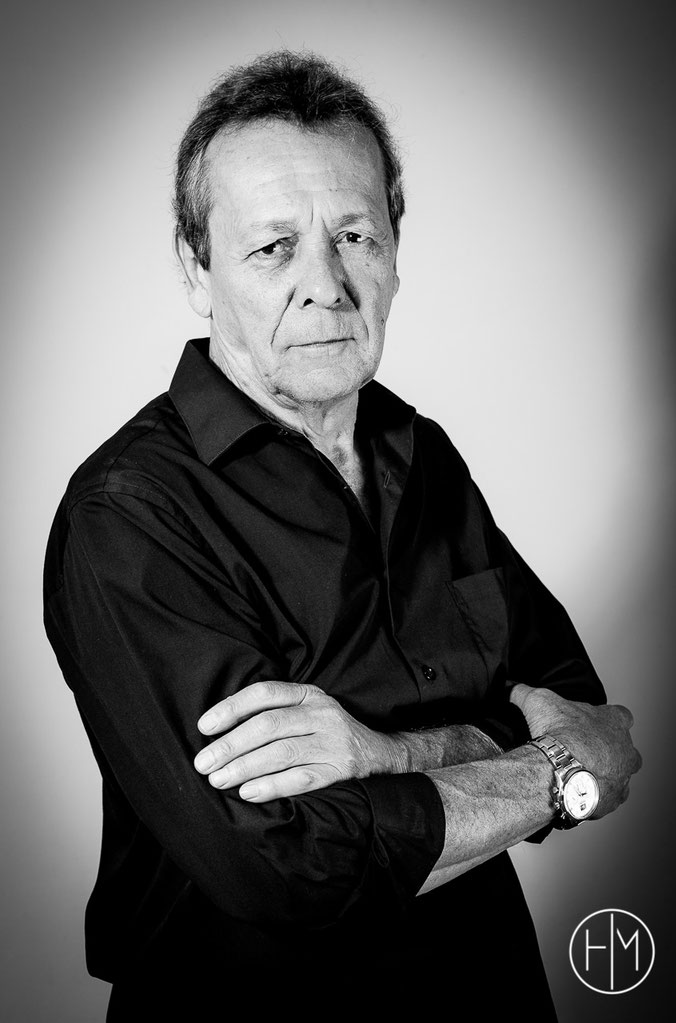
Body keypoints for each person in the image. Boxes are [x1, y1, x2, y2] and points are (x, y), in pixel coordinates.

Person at [43, 51, 641, 1019]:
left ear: (396, 250)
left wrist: (381, 754)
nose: (325, 285)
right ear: (196, 268)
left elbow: (574, 698)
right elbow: (291, 858)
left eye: (354, 235)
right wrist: (554, 773)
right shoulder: (129, 514)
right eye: (273, 248)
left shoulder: (421, 453)